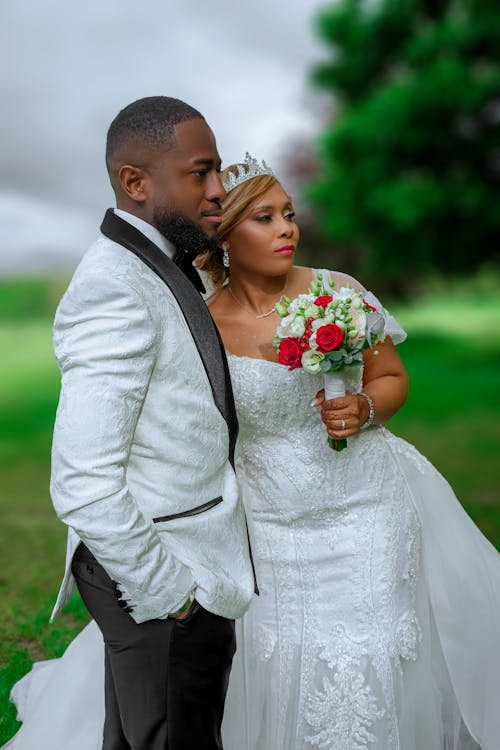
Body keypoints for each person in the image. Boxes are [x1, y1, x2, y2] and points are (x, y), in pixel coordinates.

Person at [3, 155, 500, 750]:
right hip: (265, 522)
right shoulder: (201, 322)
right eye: (264, 218)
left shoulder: (337, 293)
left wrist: (365, 409)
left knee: (371, 650)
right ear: (227, 236)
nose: (287, 228)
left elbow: (391, 376)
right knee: (274, 654)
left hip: (366, 502)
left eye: (288, 214)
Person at [15, 97, 256, 750]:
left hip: (182, 563)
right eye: (199, 174)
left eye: (219, 173)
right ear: (136, 183)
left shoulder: (165, 265)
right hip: (164, 581)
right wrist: (175, 600)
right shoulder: (113, 285)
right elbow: (83, 482)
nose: (218, 191)